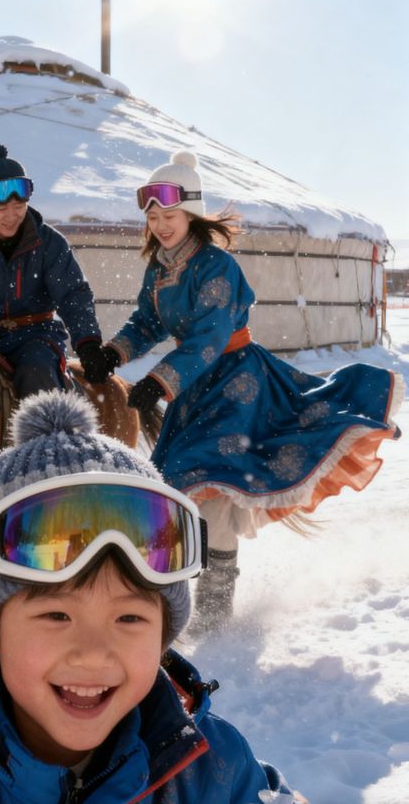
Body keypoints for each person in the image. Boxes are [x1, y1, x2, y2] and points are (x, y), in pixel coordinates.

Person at [0, 391, 307, 804]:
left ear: (163, 636)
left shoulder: (210, 767)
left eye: (129, 617)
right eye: (57, 613)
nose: (92, 651)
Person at [93, 150, 404, 630]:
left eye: (169, 216)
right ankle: (175, 596)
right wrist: (115, 353)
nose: (160, 225)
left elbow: (210, 336)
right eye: (153, 217)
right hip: (195, 388)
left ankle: (215, 611)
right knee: (176, 487)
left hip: (235, 379)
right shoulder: (159, 266)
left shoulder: (216, 265)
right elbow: (149, 322)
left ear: (191, 214)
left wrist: (158, 380)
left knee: (213, 486)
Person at [0, 144, 112, 398]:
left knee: (35, 373)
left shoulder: (49, 242)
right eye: (1, 209)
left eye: (19, 207)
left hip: (38, 336)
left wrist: (88, 343)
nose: (11, 216)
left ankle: (45, 438)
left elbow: (73, 294)